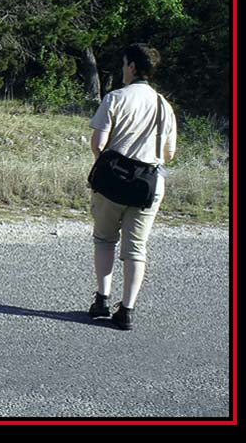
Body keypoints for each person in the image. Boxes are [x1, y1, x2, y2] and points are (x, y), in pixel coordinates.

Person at [88, 43, 177, 330]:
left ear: (132, 67)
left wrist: (110, 166)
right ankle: (126, 309)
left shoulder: (115, 98)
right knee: (136, 248)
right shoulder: (164, 106)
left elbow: (98, 144)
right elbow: (169, 154)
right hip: (148, 184)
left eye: (125, 63)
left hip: (113, 181)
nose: (123, 68)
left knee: (104, 239)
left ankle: (102, 298)